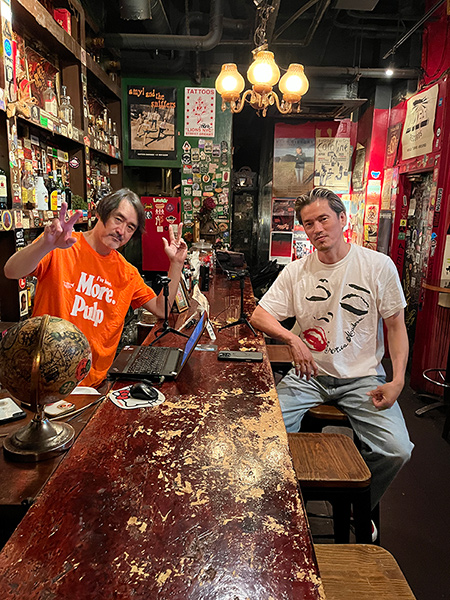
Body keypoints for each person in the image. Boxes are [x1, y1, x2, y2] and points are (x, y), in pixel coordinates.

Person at [250, 187, 413, 515]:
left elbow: (396, 326)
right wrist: (292, 339)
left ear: (342, 218)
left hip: (363, 378)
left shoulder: (377, 266)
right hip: (308, 376)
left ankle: (358, 510)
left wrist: (397, 381)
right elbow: (259, 315)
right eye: (309, 224)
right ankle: (288, 507)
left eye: (323, 219)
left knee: (396, 450)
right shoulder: (297, 271)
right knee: (266, 433)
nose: (317, 229)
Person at [4, 188, 187, 390]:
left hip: (94, 386)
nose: (121, 231)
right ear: (100, 213)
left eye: (130, 227)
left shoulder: (127, 273)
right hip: (45, 384)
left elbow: (162, 309)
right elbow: (11, 271)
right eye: (118, 219)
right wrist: (44, 246)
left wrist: (176, 264)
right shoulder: (61, 246)